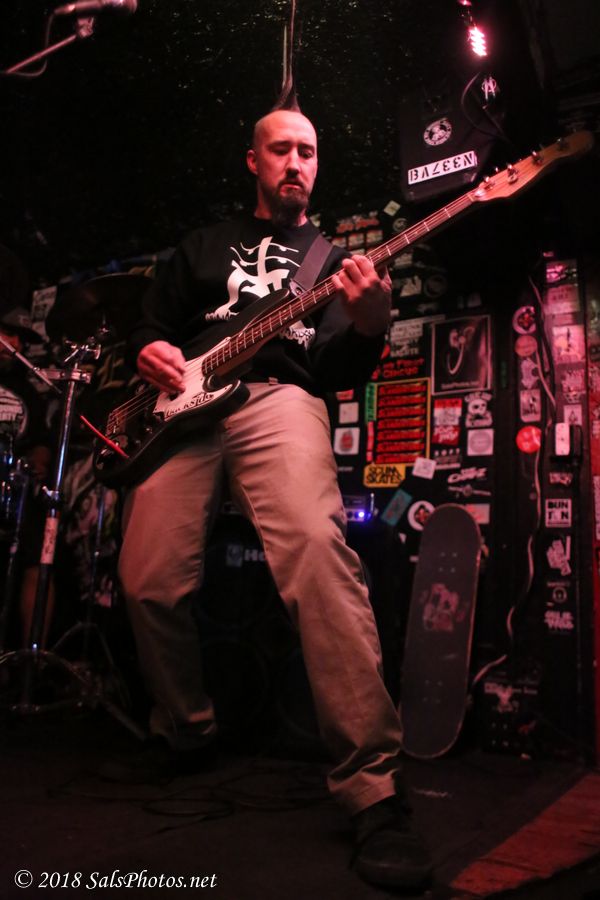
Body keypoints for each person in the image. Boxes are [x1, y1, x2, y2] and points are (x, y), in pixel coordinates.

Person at [115, 107, 432, 889]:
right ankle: (187, 729)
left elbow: (337, 369)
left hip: (278, 398)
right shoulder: (201, 245)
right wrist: (150, 349)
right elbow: (149, 326)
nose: (297, 162)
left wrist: (370, 322)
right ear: (253, 161)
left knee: (320, 555)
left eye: (309, 152)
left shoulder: (331, 260)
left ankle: (373, 787)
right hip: (182, 410)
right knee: (146, 580)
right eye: (282, 149)